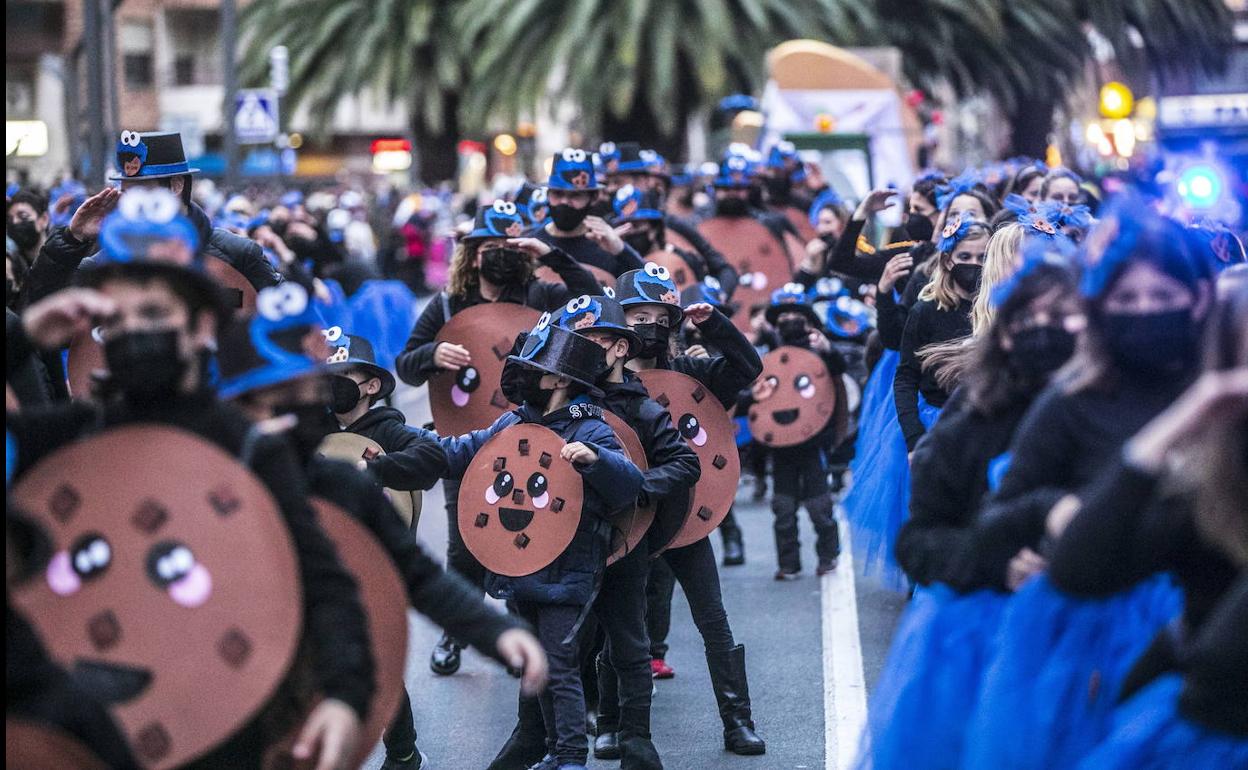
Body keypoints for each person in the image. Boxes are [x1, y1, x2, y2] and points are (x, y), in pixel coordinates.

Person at [8, 189, 373, 769]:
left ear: (201, 323)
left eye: (154, 312)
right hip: (100, 719)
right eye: (117, 316)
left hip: (218, 707)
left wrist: (346, 695)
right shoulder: (72, 437)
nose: (136, 330)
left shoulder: (250, 443)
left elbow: (322, 578)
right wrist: (22, 338)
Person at [215, 297, 549, 770]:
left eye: (299, 393)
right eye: (263, 400)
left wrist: (496, 633)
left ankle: (404, 752)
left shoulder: (342, 482)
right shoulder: (217, 484)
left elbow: (422, 577)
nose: (282, 415)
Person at [963, 198, 1216, 770]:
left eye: (1163, 298)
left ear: (1198, 300)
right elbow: (995, 521)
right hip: (1089, 634)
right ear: (1102, 309)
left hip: (1208, 628)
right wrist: (1050, 514)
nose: (1146, 312)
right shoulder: (1072, 403)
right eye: (1128, 300)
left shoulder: (1224, 394)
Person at [855, 258, 1085, 770]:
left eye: (1062, 317)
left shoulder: (1115, 417)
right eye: (1028, 321)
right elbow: (917, 544)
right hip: (984, 639)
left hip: (1088, 640)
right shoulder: (970, 420)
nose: (1045, 333)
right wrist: (995, 565)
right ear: (1004, 334)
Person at [394, 200, 600, 678]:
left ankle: (518, 638)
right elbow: (403, 364)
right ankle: (455, 635)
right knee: (464, 544)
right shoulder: (447, 304)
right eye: (490, 246)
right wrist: (430, 354)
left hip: (532, 440)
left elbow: (590, 300)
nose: (499, 254)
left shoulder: (539, 297)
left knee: (526, 537)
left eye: (508, 246)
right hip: (463, 438)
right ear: (473, 253)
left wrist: (552, 255)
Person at [439, 318, 643, 770]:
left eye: (535, 367)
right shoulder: (514, 423)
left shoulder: (590, 428)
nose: (525, 374)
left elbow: (630, 484)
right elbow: (461, 452)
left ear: (557, 379)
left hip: (570, 569)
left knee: (560, 664)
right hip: (520, 567)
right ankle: (554, 749)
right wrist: (401, 449)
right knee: (538, 668)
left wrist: (597, 461)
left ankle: (571, 756)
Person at [617, 264, 767, 756]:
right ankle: (616, 725)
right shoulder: (602, 382)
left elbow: (748, 368)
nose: (648, 327)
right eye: (637, 316)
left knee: (712, 617)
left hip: (686, 516)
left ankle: (737, 721)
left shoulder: (692, 373)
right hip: (629, 514)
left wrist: (718, 326)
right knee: (619, 621)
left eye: (659, 317)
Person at [548, 295, 699, 766]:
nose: (579, 351)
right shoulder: (564, 404)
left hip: (624, 539)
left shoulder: (643, 409)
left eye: (589, 342)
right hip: (568, 540)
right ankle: (566, 736)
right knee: (566, 643)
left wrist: (636, 488)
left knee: (630, 642)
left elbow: (685, 463)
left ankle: (635, 738)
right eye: (572, 343)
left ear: (616, 348)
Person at [23, 131, 281, 307]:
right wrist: (72, 238)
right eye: (127, 191)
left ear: (177, 185)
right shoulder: (102, 265)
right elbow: (36, 312)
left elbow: (288, 321)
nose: (132, 202)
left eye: (143, 188)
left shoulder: (238, 254)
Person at [745, 284, 846, 579]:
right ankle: (788, 564)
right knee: (783, 509)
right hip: (781, 446)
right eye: (784, 314)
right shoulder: (767, 356)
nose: (790, 319)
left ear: (808, 320)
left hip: (814, 442)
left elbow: (838, 376)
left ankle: (828, 555)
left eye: (796, 314)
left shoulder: (821, 351)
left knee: (819, 507)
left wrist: (827, 350)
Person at [324, 329, 447, 498]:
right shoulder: (316, 432)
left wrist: (373, 468)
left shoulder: (386, 429)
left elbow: (432, 456)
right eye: (329, 375)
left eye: (345, 372)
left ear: (372, 386)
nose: (335, 382)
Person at [534, 148, 645, 276]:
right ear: (547, 195)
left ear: (594, 198)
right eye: (557, 194)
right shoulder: (533, 244)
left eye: (575, 195)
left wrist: (621, 250)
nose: (564, 202)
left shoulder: (607, 242)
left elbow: (653, 288)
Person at [7, 190, 50, 305]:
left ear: (43, 220)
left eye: (23, 216)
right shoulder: (12, 267)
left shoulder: (67, 256)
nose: (15, 222)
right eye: (10, 219)